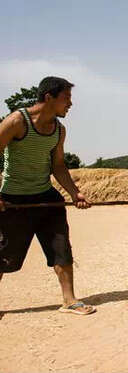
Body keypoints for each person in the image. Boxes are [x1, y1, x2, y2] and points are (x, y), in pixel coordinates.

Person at [0, 76, 95, 315]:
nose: (70, 104)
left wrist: (75, 193)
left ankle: (69, 300)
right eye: (67, 98)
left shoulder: (58, 130)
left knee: (60, 245)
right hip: (14, 199)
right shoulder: (16, 122)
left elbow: (59, 166)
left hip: (46, 197)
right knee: (5, 254)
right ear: (48, 97)